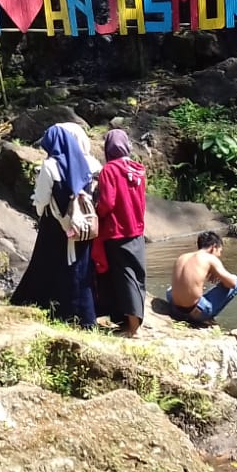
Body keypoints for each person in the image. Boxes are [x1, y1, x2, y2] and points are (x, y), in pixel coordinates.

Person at [10, 122, 101, 327]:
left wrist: (42, 212)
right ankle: (85, 317)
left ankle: (53, 310)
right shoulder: (88, 164)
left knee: (51, 266)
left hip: (55, 226)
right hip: (81, 227)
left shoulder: (50, 166)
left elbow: (41, 199)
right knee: (81, 268)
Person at [93, 129, 147, 337]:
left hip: (116, 231)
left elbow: (107, 202)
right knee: (136, 275)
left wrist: (96, 212)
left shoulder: (109, 170)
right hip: (137, 231)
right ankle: (131, 323)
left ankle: (132, 329)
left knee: (124, 276)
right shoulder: (138, 168)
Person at [166, 231, 237, 326]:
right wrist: (218, 275)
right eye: (220, 251)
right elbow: (232, 284)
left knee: (170, 290)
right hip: (195, 313)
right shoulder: (210, 258)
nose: (220, 255)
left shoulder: (183, 257)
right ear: (214, 247)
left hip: (175, 308)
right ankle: (203, 319)